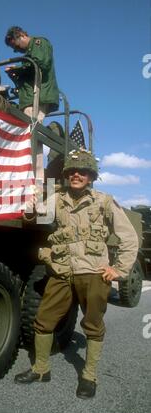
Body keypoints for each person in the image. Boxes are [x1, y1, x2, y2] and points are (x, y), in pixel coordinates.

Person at [15, 149, 139, 399]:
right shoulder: (57, 200)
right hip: (61, 271)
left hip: (93, 273)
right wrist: (30, 207)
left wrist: (118, 269)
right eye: (72, 171)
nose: (76, 174)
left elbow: (129, 238)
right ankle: (41, 369)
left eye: (82, 171)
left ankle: (89, 376)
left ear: (91, 175)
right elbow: (36, 216)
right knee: (43, 320)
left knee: (92, 325)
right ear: (66, 174)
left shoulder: (104, 201)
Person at [4, 26, 59, 122]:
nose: (16, 50)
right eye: (14, 49)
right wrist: (14, 75)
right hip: (29, 98)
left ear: (22, 35)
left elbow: (40, 65)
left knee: (31, 127)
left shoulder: (39, 43)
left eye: (16, 46)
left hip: (39, 96)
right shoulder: (28, 56)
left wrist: (17, 69)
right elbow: (28, 77)